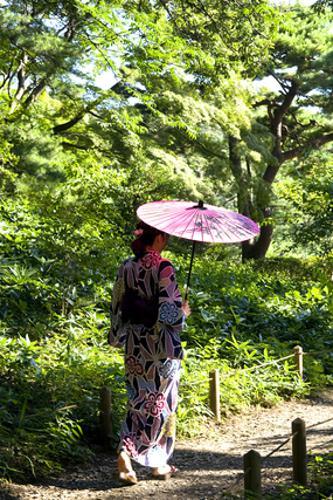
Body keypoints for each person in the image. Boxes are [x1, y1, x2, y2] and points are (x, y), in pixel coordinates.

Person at [109, 221, 190, 484]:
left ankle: (126, 452)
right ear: (156, 239)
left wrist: (116, 335)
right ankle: (158, 463)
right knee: (162, 403)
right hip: (160, 349)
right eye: (164, 237)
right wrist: (183, 313)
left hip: (135, 345)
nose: (166, 241)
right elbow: (168, 313)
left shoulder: (126, 266)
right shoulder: (163, 267)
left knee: (137, 401)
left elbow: (117, 306)